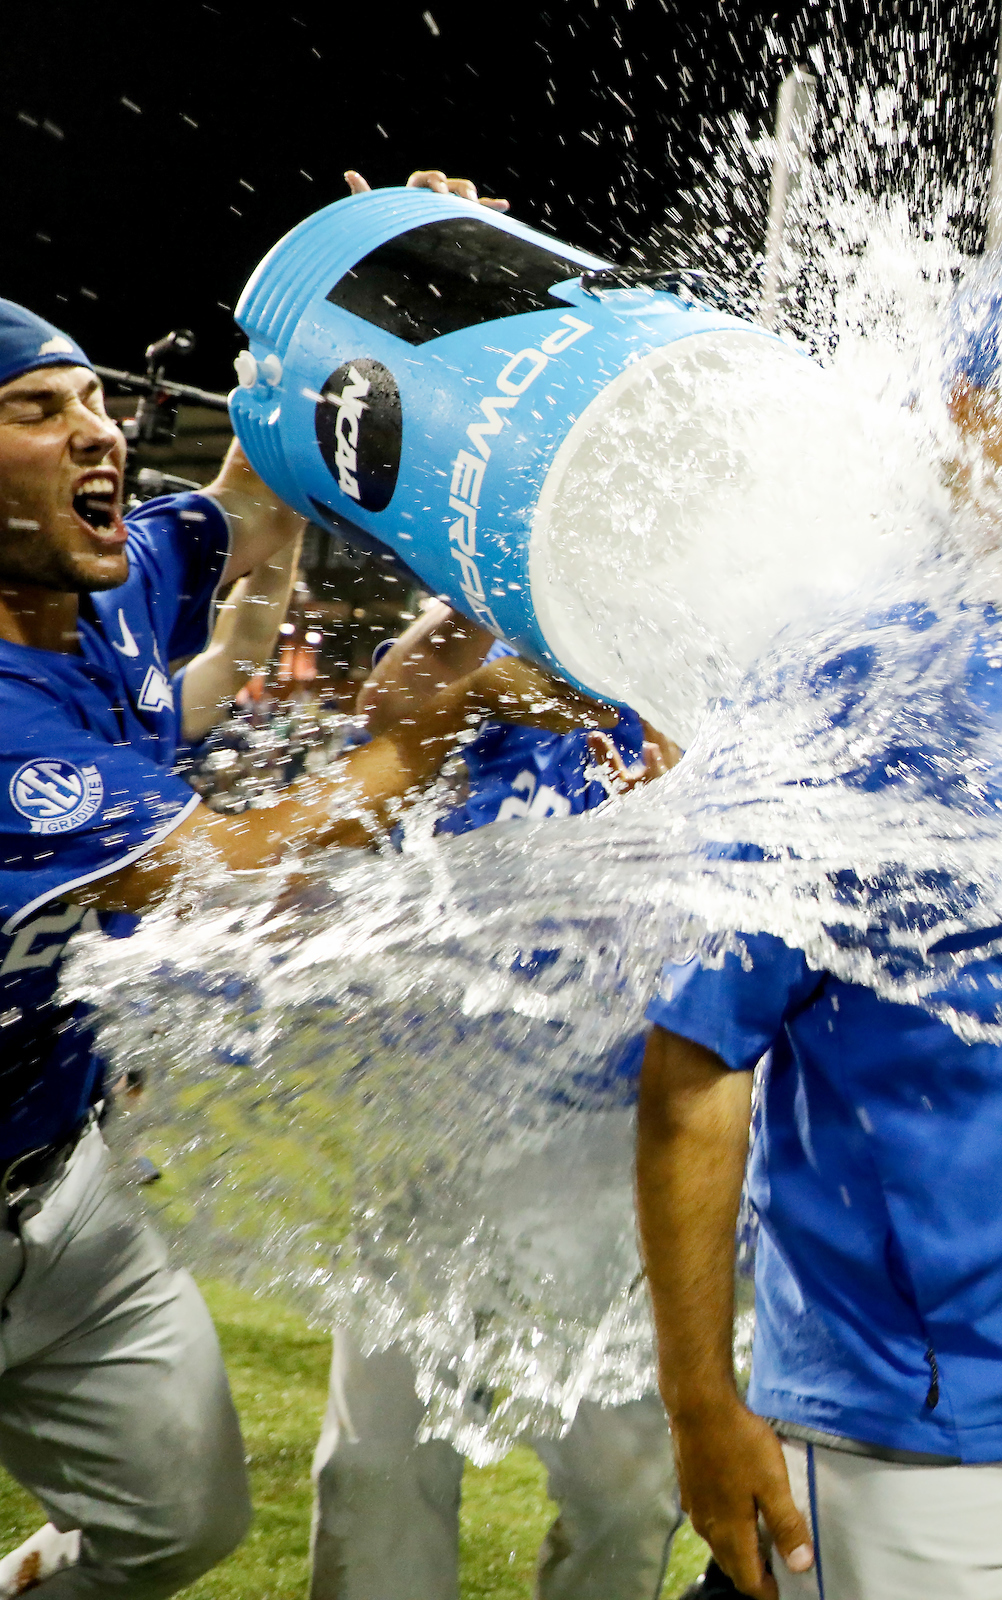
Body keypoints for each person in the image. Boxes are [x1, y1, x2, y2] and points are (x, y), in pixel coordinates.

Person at [0, 192, 605, 1598]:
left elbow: (255, 507)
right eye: (40, 409)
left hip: (58, 1182)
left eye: (101, 401)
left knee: (184, 1525)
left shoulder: (103, 585)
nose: (101, 432)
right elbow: (232, 876)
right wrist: (410, 731)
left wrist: (400, 285)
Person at [635, 248, 1002, 1600]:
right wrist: (698, 1404)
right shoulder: (860, 682)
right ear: (978, 420)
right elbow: (696, 1061)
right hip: (919, 1449)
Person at [305, 601, 683, 1600]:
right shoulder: (474, 644)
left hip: (609, 1141)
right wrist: (481, 638)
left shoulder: (684, 657)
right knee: (378, 1465)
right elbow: (390, 702)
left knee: (627, 1493)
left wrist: (605, 702)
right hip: (434, 1115)